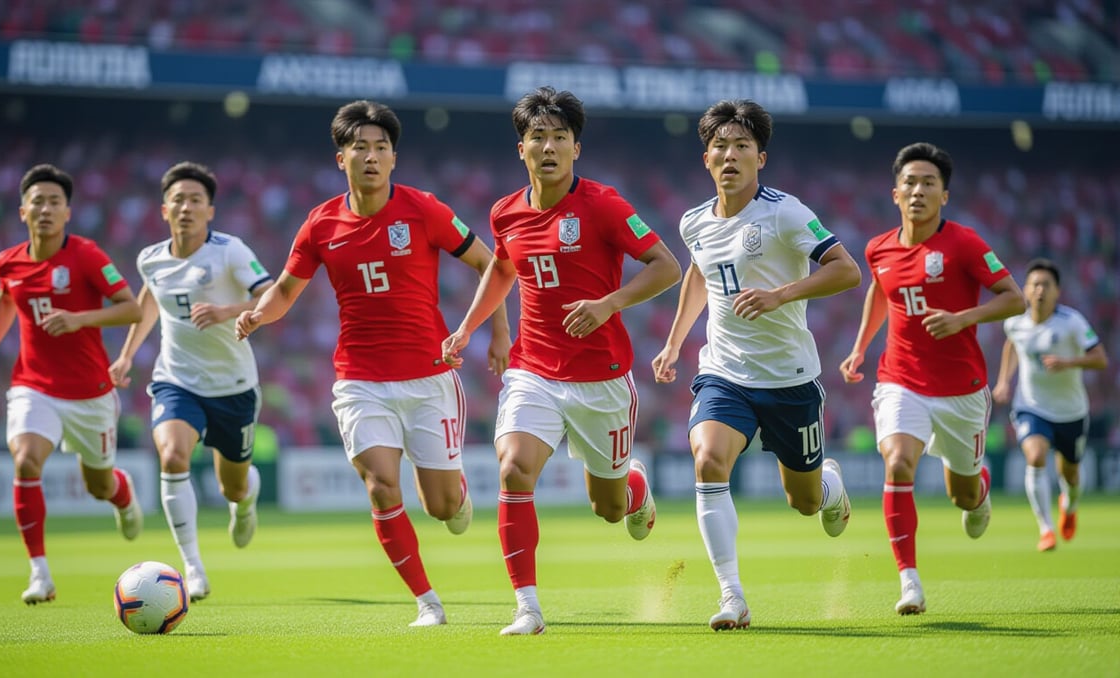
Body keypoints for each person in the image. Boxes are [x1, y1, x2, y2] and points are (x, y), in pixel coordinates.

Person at [235, 100, 510, 627]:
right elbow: (285, 291)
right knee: (381, 485)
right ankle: (427, 602)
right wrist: (257, 315)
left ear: (393, 158)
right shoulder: (320, 224)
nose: (371, 156)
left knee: (442, 507)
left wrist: (497, 331)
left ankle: (455, 495)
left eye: (381, 147)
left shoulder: (424, 209)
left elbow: (490, 263)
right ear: (341, 158)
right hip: (360, 381)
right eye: (359, 147)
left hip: (429, 377)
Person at [442, 86, 681, 636]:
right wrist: (467, 328)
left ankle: (633, 489)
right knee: (512, 469)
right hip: (534, 370)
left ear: (577, 148)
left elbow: (666, 266)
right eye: (537, 137)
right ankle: (527, 608)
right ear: (521, 149)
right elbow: (502, 269)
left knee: (608, 508)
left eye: (559, 137)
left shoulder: (603, 204)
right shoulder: (505, 212)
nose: (548, 147)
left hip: (601, 378)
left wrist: (609, 304)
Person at [650, 99, 862, 631]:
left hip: (790, 378)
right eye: (720, 146)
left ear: (760, 158)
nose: (730, 155)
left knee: (803, 501)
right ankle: (732, 596)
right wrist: (674, 343)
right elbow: (700, 274)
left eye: (741, 146)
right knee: (708, 460)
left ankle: (829, 487)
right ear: (706, 158)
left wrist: (781, 294)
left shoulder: (786, 212)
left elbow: (847, 270)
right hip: (724, 373)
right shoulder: (694, 221)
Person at [839, 142, 1025, 615]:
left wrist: (963, 318)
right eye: (910, 182)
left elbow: (1015, 298)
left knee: (961, 494)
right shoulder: (878, 247)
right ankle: (910, 581)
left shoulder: (965, 244)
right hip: (900, 379)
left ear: (944, 196)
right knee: (898, 461)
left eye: (929, 183)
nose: (918, 190)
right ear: (895, 193)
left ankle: (979, 491)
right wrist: (860, 347)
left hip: (962, 391)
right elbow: (880, 292)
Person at [0, 163, 145, 605]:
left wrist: (80, 319)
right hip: (34, 385)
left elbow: (132, 309)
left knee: (98, 486)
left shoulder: (87, 256)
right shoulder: (8, 261)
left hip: (90, 393)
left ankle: (122, 493)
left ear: (68, 212)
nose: (45, 209)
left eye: (54, 202)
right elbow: (5, 299)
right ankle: (40, 574)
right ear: (22, 210)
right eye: (38, 201)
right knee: (26, 460)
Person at [108, 162, 274, 601]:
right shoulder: (151, 259)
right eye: (178, 200)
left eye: (195, 200)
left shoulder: (230, 251)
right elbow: (149, 300)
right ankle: (193, 568)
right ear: (165, 210)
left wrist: (226, 312)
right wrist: (126, 354)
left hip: (233, 385)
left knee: (231, 486)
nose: (186, 207)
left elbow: (270, 293)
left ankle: (246, 500)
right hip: (176, 380)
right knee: (172, 455)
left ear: (210, 210)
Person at [992, 259, 1108, 552]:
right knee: (1035, 456)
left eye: (1046, 285)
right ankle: (1046, 529)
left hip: (1071, 411)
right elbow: (1011, 344)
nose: (1040, 290)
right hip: (1031, 405)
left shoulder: (1072, 322)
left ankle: (1069, 506)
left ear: (1057, 291)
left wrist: (1068, 362)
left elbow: (1100, 359)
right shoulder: (1015, 322)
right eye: (1034, 284)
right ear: (1025, 290)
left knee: (1070, 475)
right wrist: (1004, 381)